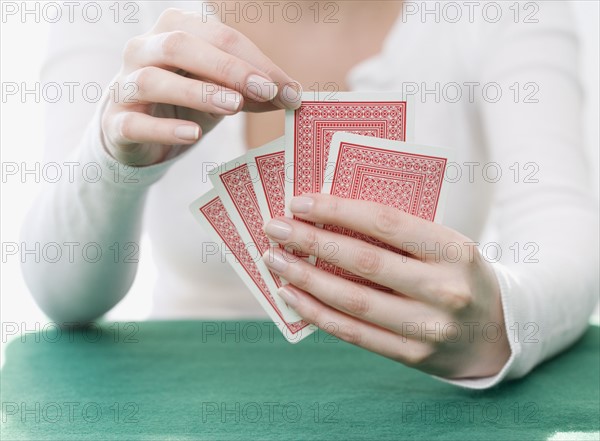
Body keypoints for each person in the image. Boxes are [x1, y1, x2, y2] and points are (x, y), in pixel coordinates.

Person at [21, 1, 599, 389]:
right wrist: (112, 161)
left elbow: (558, 220)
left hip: (421, 403)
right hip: (186, 402)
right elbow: (63, 296)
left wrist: (499, 323)